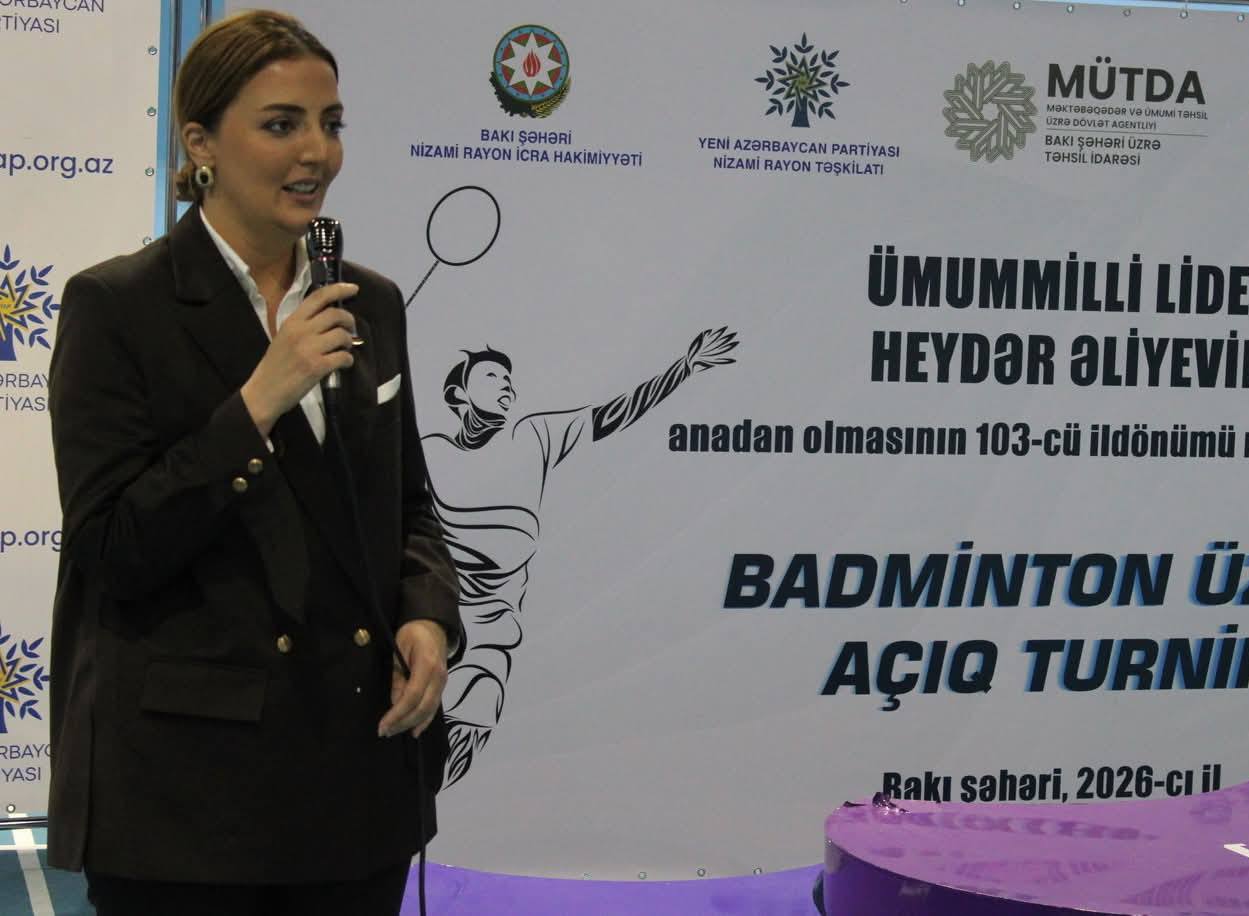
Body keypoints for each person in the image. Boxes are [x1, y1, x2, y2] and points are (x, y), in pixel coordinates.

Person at [45, 10, 460, 914]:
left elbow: (408, 508)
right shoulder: (118, 307)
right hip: (188, 807)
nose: (317, 152)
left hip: (355, 786)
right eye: (281, 124)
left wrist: (428, 619)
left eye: (330, 123)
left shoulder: (370, 302)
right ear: (200, 143)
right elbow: (112, 549)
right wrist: (259, 400)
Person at [425, 328, 736, 786]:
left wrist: (684, 368)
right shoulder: (430, 451)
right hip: (432, 618)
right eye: (491, 377)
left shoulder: (535, 436)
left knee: (464, 736)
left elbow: (614, 414)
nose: (506, 384)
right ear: (459, 395)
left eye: (508, 378)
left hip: (492, 626)